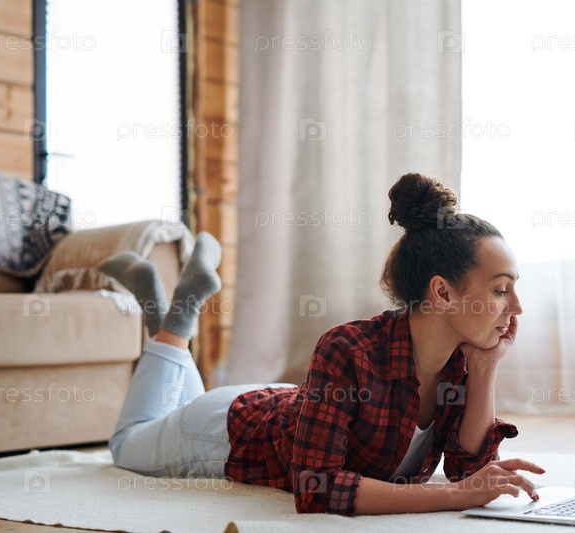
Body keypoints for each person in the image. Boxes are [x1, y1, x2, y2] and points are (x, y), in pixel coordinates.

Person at [101, 172, 544, 516]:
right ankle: (178, 320)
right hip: (225, 432)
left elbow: (468, 470)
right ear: (443, 292)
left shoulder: (459, 361)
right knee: (125, 444)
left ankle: (166, 311)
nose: (517, 307)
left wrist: (486, 368)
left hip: (290, 405)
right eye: (501, 290)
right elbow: (317, 488)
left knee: (170, 407)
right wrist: (454, 497)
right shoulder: (348, 348)